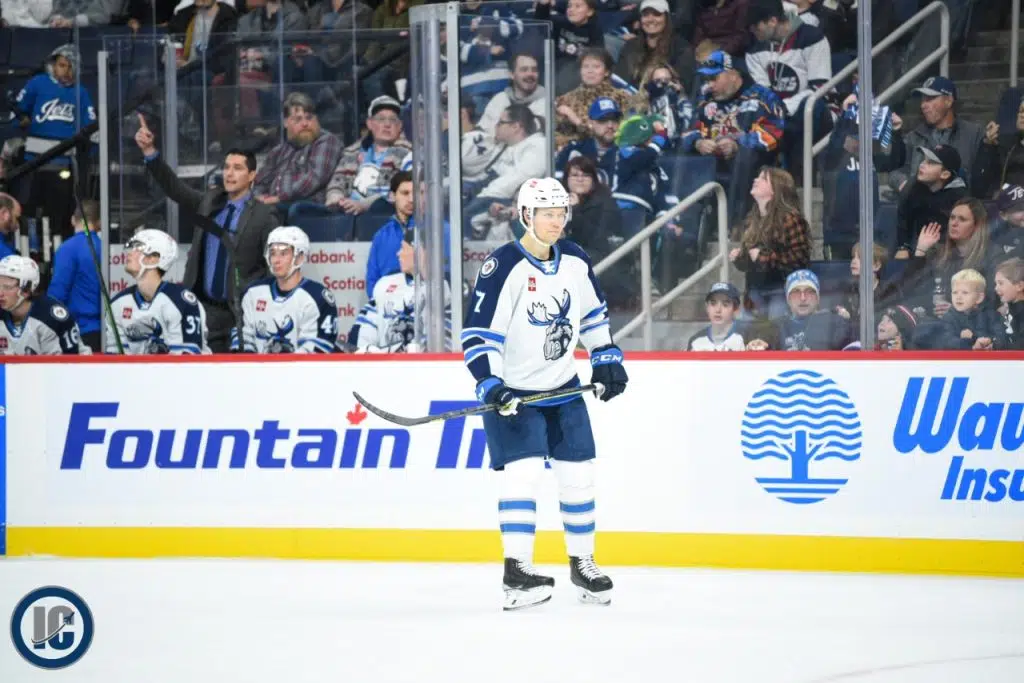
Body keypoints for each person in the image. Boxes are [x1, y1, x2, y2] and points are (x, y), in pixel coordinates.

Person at [461, 177, 628, 611]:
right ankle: (517, 571)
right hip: (514, 395)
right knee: (524, 474)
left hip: (564, 389)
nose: (556, 222)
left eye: (560, 214)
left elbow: (593, 315)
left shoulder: (574, 259)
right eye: (547, 214)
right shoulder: (503, 265)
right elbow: (479, 335)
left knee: (579, 474)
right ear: (525, 216)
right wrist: (490, 384)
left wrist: (605, 357)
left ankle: (583, 563)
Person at [135, 113, 280, 351]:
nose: (229, 173)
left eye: (237, 168)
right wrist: (150, 152)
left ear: (252, 175)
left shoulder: (264, 215)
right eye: (227, 167)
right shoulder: (210, 202)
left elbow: (272, 265)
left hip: (241, 313)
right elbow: (175, 188)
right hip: (204, 310)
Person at [232, 226, 339, 354]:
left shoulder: (318, 298)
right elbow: (242, 338)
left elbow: (317, 352)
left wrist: (283, 361)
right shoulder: (253, 293)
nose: (276, 260)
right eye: (272, 253)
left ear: (300, 257)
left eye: (283, 253)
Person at [107, 229, 210, 355]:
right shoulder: (118, 303)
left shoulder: (181, 301)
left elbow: (188, 358)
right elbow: (116, 358)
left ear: (154, 259)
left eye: (138, 248)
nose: (130, 253)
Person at [0, 254, 89, 355]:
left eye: (7, 287)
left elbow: (68, 362)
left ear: (26, 290)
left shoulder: (51, 319)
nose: (0, 293)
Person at [47, 200, 103, 351]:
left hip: (77, 330)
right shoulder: (104, 247)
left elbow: (57, 293)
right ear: (99, 223)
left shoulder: (68, 248)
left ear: (73, 220)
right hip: (103, 329)